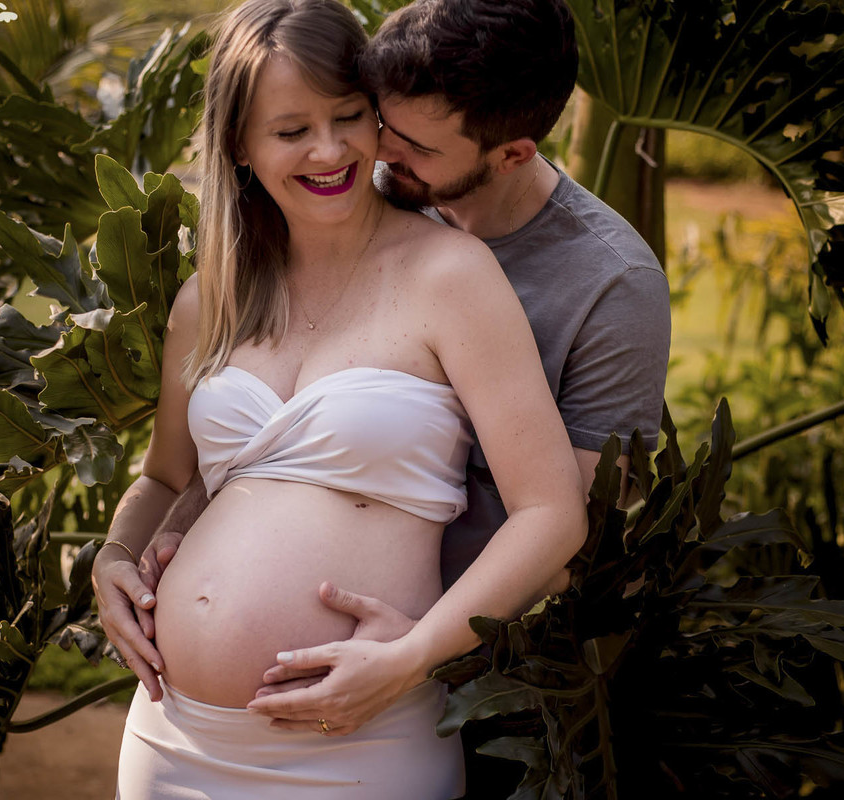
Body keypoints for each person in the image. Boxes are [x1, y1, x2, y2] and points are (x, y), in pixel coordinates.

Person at [91, 1, 586, 798]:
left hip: (361, 738)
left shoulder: (451, 276)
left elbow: (552, 512)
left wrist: (415, 655)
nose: (329, 150)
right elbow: (164, 480)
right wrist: (111, 561)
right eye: (291, 131)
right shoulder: (208, 299)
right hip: (172, 739)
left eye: (349, 116)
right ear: (241, 147)